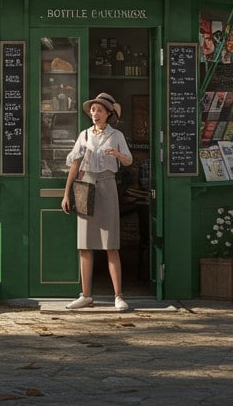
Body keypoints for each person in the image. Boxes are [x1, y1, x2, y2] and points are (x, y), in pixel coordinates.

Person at [61, 92, 133, 312]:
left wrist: (118, 156)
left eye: (100, 110)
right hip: (85, 186)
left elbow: (129, 160)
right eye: (93, 110)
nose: (95, 113)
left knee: (110, 244)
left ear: (108, 114)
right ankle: (86, 295)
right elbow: (74, 163)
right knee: (84, 244)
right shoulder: (83, 135)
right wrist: (66, 194)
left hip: (107, 185)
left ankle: (118, 296)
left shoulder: (117, 135)